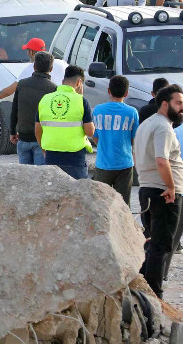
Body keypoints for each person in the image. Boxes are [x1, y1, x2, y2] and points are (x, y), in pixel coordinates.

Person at [133, 84, 183, 298]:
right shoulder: (163, 126)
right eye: (178, 103)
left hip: (148, 189)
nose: (182, 108)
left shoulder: (147, 124)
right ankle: (154, 296)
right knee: (161, 246)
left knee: (154, 243)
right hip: (163, 193)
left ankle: (140, 287)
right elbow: (162, 160)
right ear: (165, 104)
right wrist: (171, 187)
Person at [35, 64, 94, 180]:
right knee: (76, 195)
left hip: (51, 156)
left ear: (63, 81)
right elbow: (90, 132)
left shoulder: (45, 99)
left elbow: (37, 130)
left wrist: (43, 148)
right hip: (75, 159)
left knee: (53, 194)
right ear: (79, 83)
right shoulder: (81, 101)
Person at [0, 38, 66, 106]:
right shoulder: (62, 63)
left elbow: (9, 91)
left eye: (27, 50)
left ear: (31, 52)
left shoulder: (31, 69)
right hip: (65, 103)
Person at [92, 74, 139, 205]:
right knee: (123, 205)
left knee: (101, 204)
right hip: (125, 163)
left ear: (109, 91)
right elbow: (134, 138)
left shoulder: (98, 110)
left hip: (103, 163)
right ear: (127, 93)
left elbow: (94, 135)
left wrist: (102, 145)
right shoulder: (132, 112)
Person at [9, 51, 58, 165]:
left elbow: (14, 109)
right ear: (51, 69)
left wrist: (12, 132)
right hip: (41, 141)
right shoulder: (53, 89)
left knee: (25, 177)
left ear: (34, 66)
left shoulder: (21, 84)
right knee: (40, 177)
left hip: (23, 138)